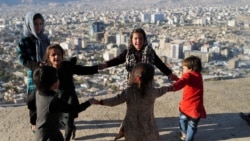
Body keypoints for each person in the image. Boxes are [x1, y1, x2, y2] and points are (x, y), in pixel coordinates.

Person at [98, 27, 178, 139]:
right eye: (135, 38)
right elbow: (117, 60)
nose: (138, 41)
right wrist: (105, 65)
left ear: (144, 39)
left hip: (147, 85)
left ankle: (140, 129)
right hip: (133, 86)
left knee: (147, 110)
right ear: (131, 39)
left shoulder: (150, 52)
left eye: (140, 38)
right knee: (132, 109)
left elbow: (159, 63)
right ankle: (129, 128)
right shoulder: (128, 53)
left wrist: (169, 74)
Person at [95, 63, 172, 141]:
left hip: (132, 127)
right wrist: (170, 88)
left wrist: (100, 102)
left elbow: (114, 101)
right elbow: (161, 90)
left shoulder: (129, 92)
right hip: (149, 127)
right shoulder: (152, 91)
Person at [44, 44, 100, 141]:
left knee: (69, 121)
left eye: (59, 54)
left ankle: (67, 137)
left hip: (70, 97)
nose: (56, 57)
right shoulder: (47, 70)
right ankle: (71, 128)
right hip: (56, 99)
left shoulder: (68, 66)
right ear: (48, 57)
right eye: (53, 55)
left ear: (62, 55)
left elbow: (82, 70)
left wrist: (97, 68)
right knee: (58, 121)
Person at [33, 66, 98, 141]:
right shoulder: (53, 101)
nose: (58, 79)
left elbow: (31, 103)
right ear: (52, 83)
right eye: (56, 78)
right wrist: (89, 102)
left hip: (40, 133)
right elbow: (74, 109)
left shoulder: (38, 92)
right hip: (49, 137)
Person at [17, 11, 50, 133]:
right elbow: (21, 59)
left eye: (41, 24)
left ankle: (46, 119)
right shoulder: (24, 41)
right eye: (35, 24)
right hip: (33, 74)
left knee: (46, 98)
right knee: (33, 100)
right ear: (29, 24)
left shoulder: (45, 38)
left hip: (46, 72)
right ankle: (33, 123)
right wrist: (36, 65)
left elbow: (49, 54)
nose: (39, 27)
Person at [168, 56, 206, 141]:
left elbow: (183, 81)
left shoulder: (188, 75)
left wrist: (172, 87)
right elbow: (186, 81)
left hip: (186, 107)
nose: (183, 70)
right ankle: (188, 138)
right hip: (196, 108)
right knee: (192, 126)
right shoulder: (198, 75)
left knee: (182, 121)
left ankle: (184, 134)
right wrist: (177, 79)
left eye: (183, 68)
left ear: (190, 69)